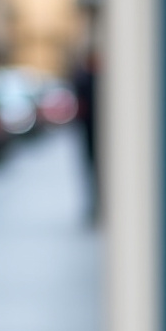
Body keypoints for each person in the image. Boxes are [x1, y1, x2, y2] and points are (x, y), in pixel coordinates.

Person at [71, 49, 99, 223]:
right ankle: (92, 204)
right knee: (90, 169)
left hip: (90, 133)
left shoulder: (84, 79)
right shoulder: (85, 80)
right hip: (89, 132)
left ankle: (93, 205)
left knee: (90, 169)